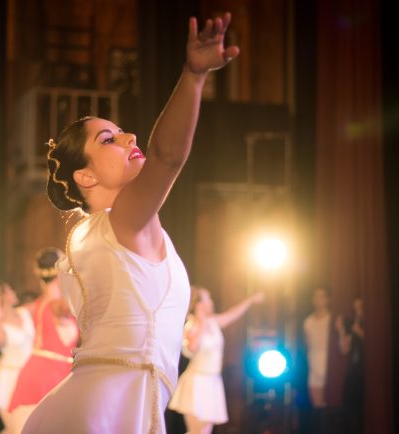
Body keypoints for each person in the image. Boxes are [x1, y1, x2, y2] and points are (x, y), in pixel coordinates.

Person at [21, 13, 239, 434]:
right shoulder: (114, 225)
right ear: (85, 177)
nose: (129, 138)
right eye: (108, 139)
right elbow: (168, 157)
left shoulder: (122, 230)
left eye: (121, 131)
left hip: (133, 408)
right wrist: (194, 76)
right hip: (99, 412)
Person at [169, 286, 264, 434]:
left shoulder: (213, 322)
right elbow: (192, 348)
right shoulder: (191, 325)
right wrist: (201, 322)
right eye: (208, 298)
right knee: (196, 431)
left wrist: (250, 300)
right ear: (199, 304)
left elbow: (232, 315)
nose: (211, 301)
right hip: (197, 382)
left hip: (212, 381)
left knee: (206, 430)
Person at [7, 248, 78, 433]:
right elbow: (76, 303)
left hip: (43, 373)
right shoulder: (57, 305)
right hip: (46, 378)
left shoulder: (39, 303)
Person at [0, 281, 35, 434]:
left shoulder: (24, 312)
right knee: (18, 429)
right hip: (8, 380)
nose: (14, 291)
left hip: (30, 375)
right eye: (10, 289)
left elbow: (43, 302)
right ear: (3, 296)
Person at [335, 296, 364, 434]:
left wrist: (358, 331)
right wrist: (341, 330)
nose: (358, 312)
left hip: (365, 374)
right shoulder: (354, 326)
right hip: (353, 373)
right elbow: (344, 349)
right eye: (356, 309)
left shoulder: (370, 324)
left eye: (361, 308)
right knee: (349, 408)